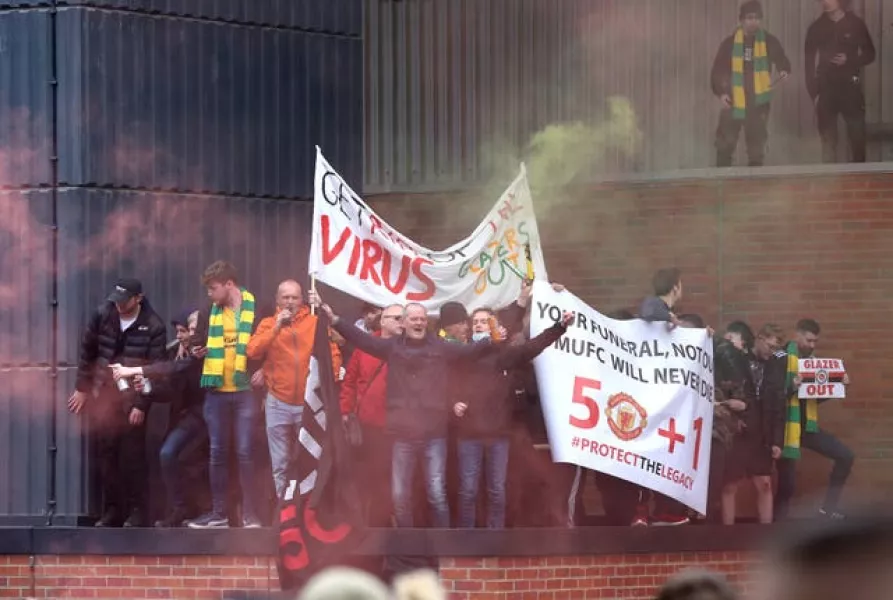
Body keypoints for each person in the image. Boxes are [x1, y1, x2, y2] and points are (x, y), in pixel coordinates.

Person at [310, 290, 504, 529]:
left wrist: (491, 340)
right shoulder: (392, 347)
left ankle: (443, 545)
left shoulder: (440, 346)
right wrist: (335, 319)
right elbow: (362, 340)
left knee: (436, 494)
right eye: (413, 318)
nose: (419, 322)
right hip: (402, 434)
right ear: (404, 322)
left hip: (434, 434)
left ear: (427, 322)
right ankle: (406, 544)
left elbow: (469, 352)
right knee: (400, 496)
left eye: (422, 319)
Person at [453, 306, 572, 529]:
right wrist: (454, 401)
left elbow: (533, 347)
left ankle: (495, 536)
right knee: (468, 490)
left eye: (485, 321)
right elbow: (447, 381)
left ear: (494, 327)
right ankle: (465, 539)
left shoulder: (504, 356)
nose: (479, 324)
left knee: (497, 490)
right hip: (469, 435)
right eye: (476, 321)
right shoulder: (463, 355)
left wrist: (560, 327)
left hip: (498, 434)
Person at [67, 278, 167, 527]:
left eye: (125, 301)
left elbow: (153, 370)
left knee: (133, 458)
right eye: (116, 301)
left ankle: (138, 512)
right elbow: (87, 353)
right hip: (104, 397)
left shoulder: (153, 326)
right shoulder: (103, 315)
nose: (119, 306)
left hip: (131, 399)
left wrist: (141, 405)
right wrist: (82, 389)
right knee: (106, 457)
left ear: (138, 298)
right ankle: (112, 511)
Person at [245, 280, 342, 500]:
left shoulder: (315, 322)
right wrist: (276, 327)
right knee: (280, 464)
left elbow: (333, 353)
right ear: (277, 300)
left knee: (309, 461)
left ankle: (307, 512)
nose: (290, 302)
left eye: (295, 297)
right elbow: (252, 351)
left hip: (308, 404)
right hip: (277, 402)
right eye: (285, 297)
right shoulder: (268, 323)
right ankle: (284, 513)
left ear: (302, 299)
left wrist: (328, 382)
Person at [187, 261, 262, 529]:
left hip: (245, 392)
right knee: (217, 453)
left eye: (213, 288)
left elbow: (268, 342)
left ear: (229, 285)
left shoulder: (257, 306)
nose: (209, 293)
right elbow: (197, 340)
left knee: (245, 452)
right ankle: (218, 514)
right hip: (217, 391)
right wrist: (198, 350)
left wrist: (263, 369)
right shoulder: (210, 310)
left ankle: (251, 514)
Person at [775, 319, 853, 521]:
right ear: (797, 335)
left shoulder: (813, 364)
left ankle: (828, 509)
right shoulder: (780, 358)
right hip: (784, 430)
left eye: (815, 342)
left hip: (807, 428)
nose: (812, 345)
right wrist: (790, 387)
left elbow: (814, 396)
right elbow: (769, 396)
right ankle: (778, 525)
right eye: (809, 340)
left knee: (845, 456)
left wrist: (837, 386)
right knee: (788, 485)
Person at [339, 303, 404, 527]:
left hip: (399, 426)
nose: (401, 322)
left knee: (393, 480)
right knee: (368, 477)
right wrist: (346, 411)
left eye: (403, 317)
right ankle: (368, 523)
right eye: (396, 318)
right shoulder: (364, 347)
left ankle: (387, 523)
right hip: (368, 426)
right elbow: (350, 382)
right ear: (383, 321)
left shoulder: (409, 347)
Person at [720, 323, 786, 525]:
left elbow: (778, 406)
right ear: (760, 338)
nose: (772, 353)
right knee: (730, 485)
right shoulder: (739, 359)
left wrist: (777, 441)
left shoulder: (775, 366)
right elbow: (724, 388)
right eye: (771, 347)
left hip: (762, 432)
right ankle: (726, 535)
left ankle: (764, 534)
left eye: (777, 349)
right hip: (739, 429)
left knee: (765, 484)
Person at [711, 1, 791, 167]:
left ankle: (755, 188)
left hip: (758, 102)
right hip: (733, 101)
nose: (753, 21)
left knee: (756, 150)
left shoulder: (769, 41)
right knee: (724, 146)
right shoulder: (730, 43)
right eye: (749, 18)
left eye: (756, 18)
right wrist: (721, 93)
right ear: (741, 20)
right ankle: (722, 186)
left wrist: (784, 70)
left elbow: (782, 59)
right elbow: (717, 71)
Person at [806, 0, 875, 163]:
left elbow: (870, 54)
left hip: (851, 89)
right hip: (826, 90)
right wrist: (814, 93)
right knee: (828, 143)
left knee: (857, 137)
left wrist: (849, 60)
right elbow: (808, 63)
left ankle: (861, 181)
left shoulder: (855, 24)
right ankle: (830, 182)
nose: (827, 2)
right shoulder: (816, 27)